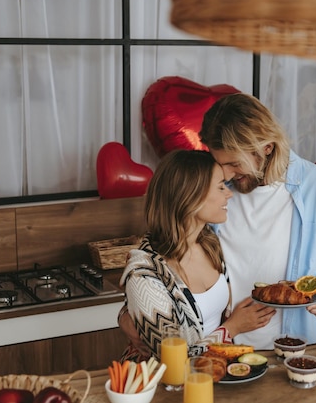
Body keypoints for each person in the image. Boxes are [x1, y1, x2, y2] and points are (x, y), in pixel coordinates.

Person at [200, 93, 316, 349]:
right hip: (230, 346)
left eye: (234, 163)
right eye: (220, 163)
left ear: (267, 147)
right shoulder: (214, 191)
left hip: (305, 346)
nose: (226, 173)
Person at [116, 149, 272, 362]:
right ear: (191, 196)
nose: (229, 193)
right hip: (162, 388)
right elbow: (173, 358)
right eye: (220, 187)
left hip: (209, 375)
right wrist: (232, 328)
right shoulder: (145, 274)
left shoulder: (209, 243)